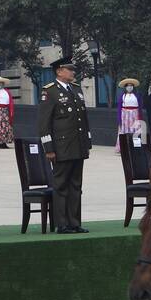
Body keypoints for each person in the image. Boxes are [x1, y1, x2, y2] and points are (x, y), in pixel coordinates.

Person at [38, 56, 93, 233]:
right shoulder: (50, 91)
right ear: (59, 71)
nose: (73, 72)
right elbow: (44, 122)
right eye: (69, 69)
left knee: (76, 185)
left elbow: (83, 118)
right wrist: (48, 148)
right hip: (61, 147)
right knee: (61, 185)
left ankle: (74, 222)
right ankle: (62, 224)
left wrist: (87, 141)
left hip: (78, 144)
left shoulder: (76, 89)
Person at [117, 78, 141, 145]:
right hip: (125, 116)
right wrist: (119, 119)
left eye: (131, 85)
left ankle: (136, 145)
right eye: (128, 85)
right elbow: (119, 108)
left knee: (136, 130)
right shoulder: (122, 96)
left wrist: (140, 117)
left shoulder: (137, 95)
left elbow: (140, 107)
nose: (129, 87)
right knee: (124, 131)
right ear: (125, 87)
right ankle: (124, 146)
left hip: (135, 115)